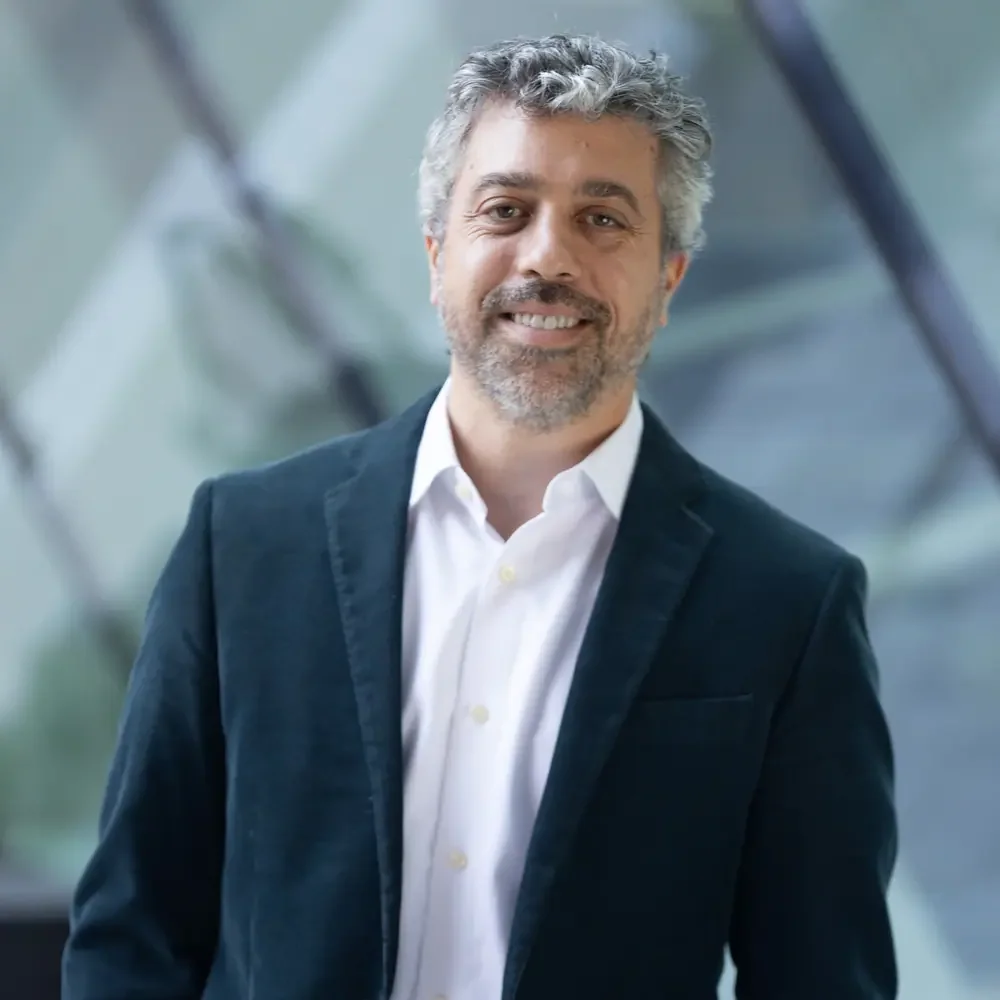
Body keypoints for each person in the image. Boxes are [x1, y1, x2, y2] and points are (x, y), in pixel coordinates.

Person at [63, 33, 898, 1000]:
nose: (548, 255)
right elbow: (133, 931)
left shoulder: (787, 602)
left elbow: (821, 979)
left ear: (668, 280)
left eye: (603, 219)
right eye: (506, 210)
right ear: (436, 253)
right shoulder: (242, 546)